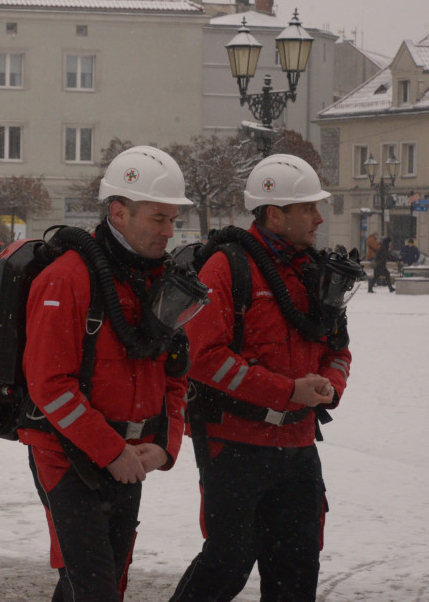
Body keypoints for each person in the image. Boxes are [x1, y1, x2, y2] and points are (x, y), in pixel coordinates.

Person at [170, 154, 353, 601]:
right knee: (227, 564)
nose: (319, 218)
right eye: (308, 208)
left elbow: (339, 348)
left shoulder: (315, 270)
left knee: (296, 573)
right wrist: (287, 391)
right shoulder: (227, 266)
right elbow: (204, 357)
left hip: (298, 447)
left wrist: (331, 384)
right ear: (275, 214)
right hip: (233, 444)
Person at [21, 146, 197, 601]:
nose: (168, 230)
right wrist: (111, 450)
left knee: (106, 583)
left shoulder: (159, 281)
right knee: (95, 586)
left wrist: (165, 445)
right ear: (118, 213)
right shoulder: (68, 278)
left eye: (172, 220)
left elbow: (175, 375)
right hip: (67, 454)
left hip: (130, 457)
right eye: (158, 219)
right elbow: (48, 384)